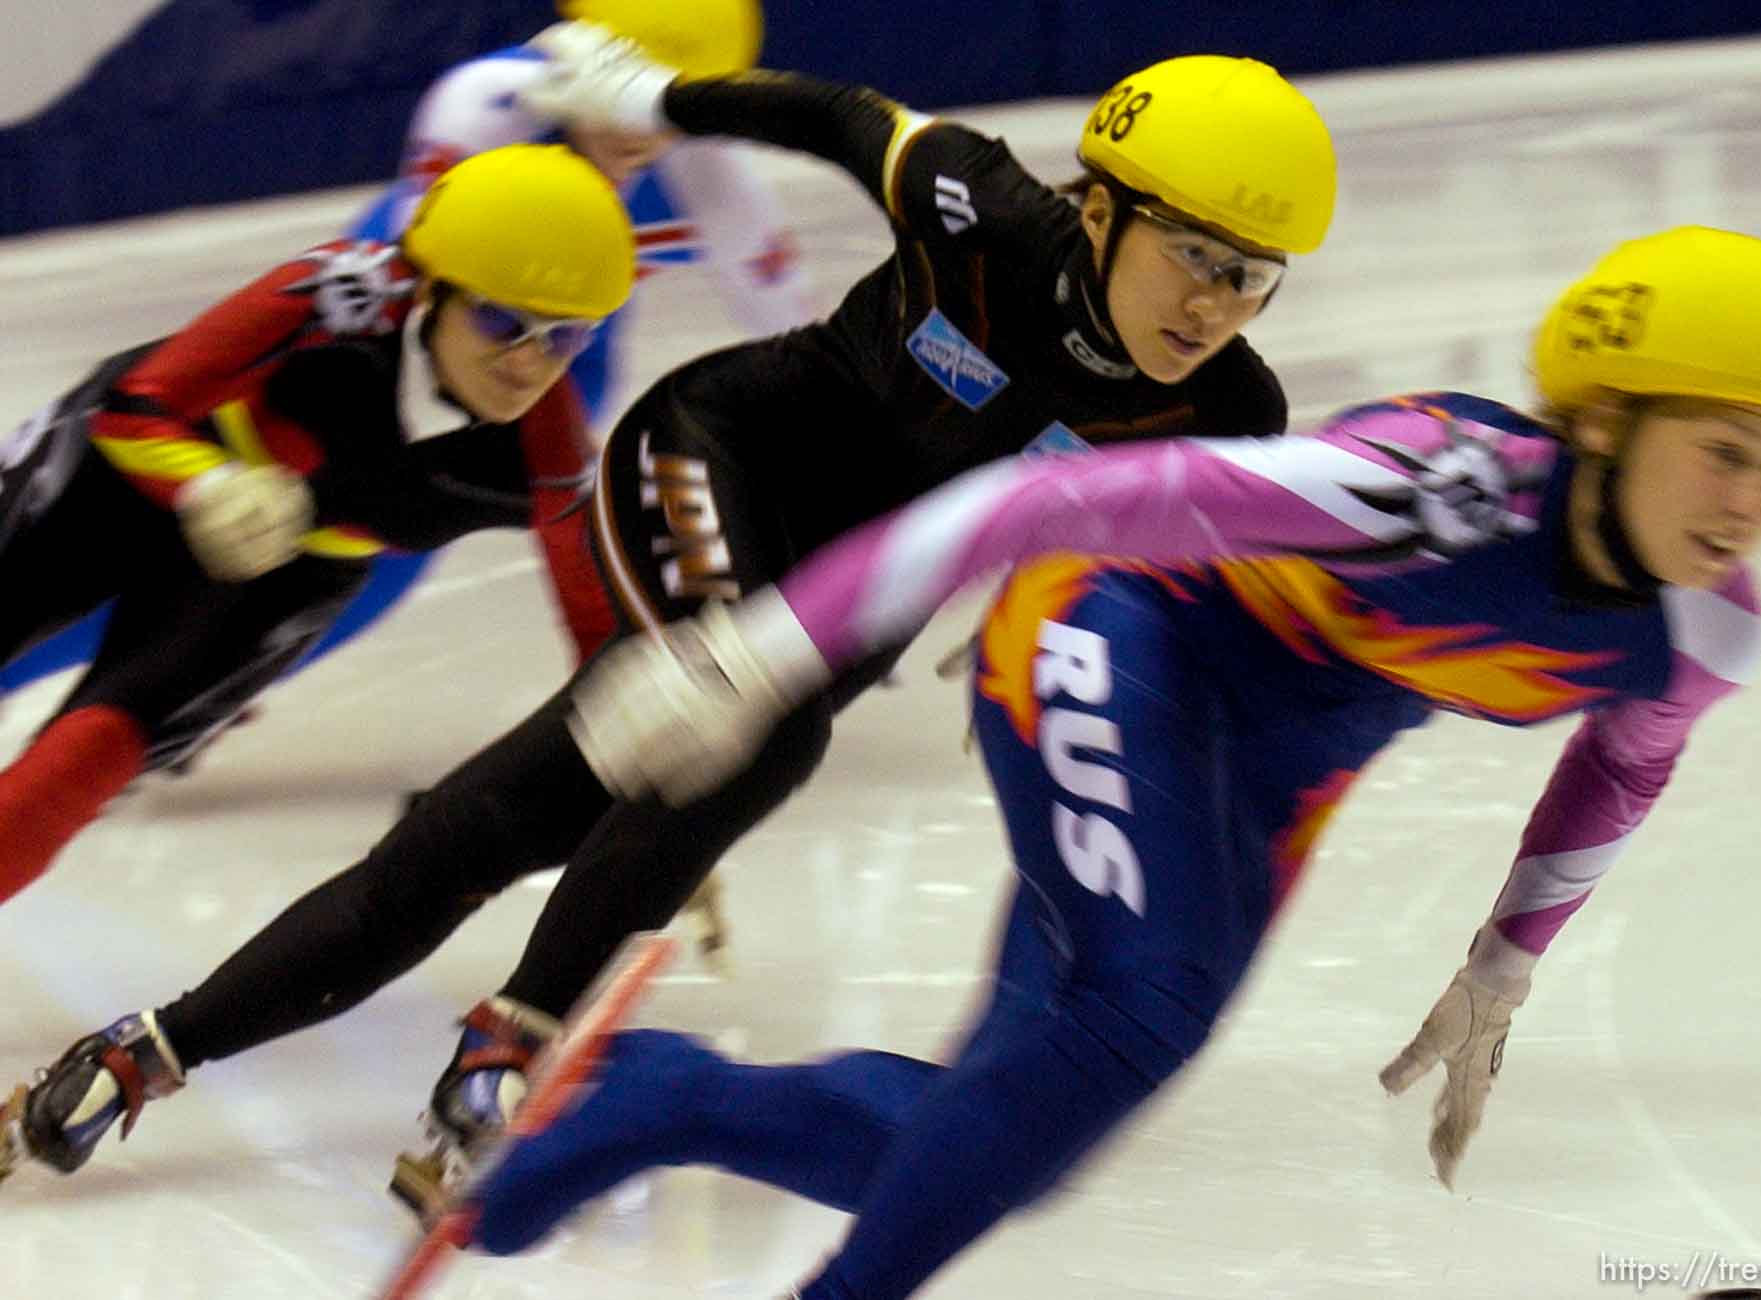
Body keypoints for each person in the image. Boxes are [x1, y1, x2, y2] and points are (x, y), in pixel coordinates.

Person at [0, 43, 1339, 1215]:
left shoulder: (1230, 415)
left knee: (483, 830)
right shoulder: (985, 208)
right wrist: (657, 94)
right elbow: (837, 117)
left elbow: (1186, 591)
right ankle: (512, 1037)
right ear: (1097, 208)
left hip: (847, 604)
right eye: (1193, 257)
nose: (1213, 304)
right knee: (759, 731)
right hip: (723, 453)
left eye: (1251, 278)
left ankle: (143, 1054)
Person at [452, 226, 1761, 1300]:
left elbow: (1623, 769)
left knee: (1014, 1137)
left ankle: (667, 1096)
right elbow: (1042, 498)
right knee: (1147, 1002)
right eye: (1723, 452)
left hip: (1265, 780)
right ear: (1604, 421)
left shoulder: (1698, 636)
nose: (1752, 504)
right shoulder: (1424, 489)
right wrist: (761, 652)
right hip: (1111, 630)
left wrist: (1506, 961)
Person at [1, 0, 816, 698]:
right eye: (630, 90)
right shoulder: (486, 103)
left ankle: (181, 688)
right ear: (576, 50)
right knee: (235, 501)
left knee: (365, 558)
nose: (648, 130)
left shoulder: (715, 176)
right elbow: (417, 284)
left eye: (677, 104)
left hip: (563, 344)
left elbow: (797, 348)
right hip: (414, 297)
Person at [0, 142, 629, 911]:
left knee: (88, 756)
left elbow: (605, 641)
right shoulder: (340, 292)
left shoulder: (547, 451)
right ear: (431, 287)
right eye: (503, 321)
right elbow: (136, 403)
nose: (530, 365)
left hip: (286, 572)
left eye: (566, 337)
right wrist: (207, 486)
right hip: (138, 464)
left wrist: (643, 812)